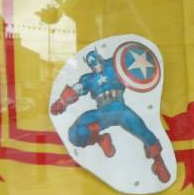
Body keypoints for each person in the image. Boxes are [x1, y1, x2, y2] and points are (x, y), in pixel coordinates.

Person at [50, 49, 170, 182]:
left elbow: (138, 59)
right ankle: (101, 139)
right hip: (102, 114)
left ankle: (159, 162)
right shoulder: (88, 79)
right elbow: (75, 91)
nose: (94, 63)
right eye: (91, 62)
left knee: (144, 132)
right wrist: (61, 102)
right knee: (76, 133)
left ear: (100, 57)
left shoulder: (115, 65)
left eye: (95, 59)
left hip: (121, 110)